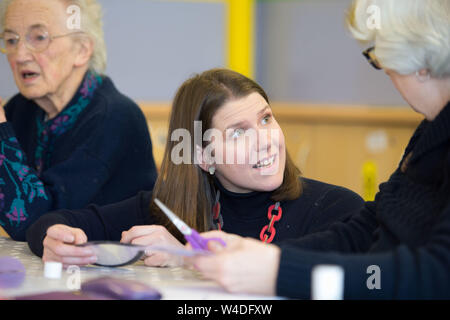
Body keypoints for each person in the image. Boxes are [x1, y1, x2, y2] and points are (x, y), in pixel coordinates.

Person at [190, 0, 450, 299]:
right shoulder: (432, 128)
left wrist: (279, 270)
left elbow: (437, 276)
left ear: (417, 61)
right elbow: (368, 230)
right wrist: (259, 257)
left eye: (378, 58)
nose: (386, 74)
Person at [26, 68, 364, 268]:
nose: (266, 141)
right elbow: (54, 223)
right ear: (203, 157)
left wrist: (190, 257)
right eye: (239, 133)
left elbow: (304, 270)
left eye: (266, 119)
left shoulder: (337, 208)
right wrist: (55, 239)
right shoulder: (169, 209)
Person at [0, 0, 157, 241]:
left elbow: (40, 225)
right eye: (11, 40)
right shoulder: (20, 110)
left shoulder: (115, 117)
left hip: (114, 271)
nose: (20, 55)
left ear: (82, 50)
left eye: (39, 37)